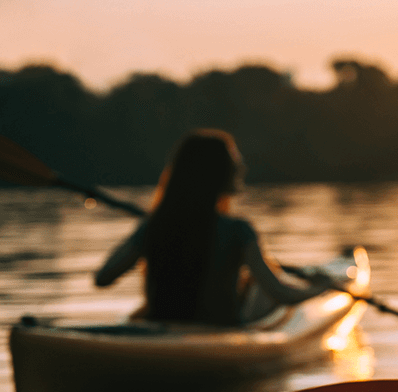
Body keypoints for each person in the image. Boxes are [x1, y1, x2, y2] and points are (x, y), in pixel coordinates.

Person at [95, 129, 330, 325]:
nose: (241, 169)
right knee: (260, 288)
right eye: (233, 164)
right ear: (218, 174)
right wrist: (322, 289)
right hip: (219, 334)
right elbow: (282, 294)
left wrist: (147, 228)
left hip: (160, 329)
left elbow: (103, 277)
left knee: (252, 284)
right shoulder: (239, 231)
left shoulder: (154, 226)